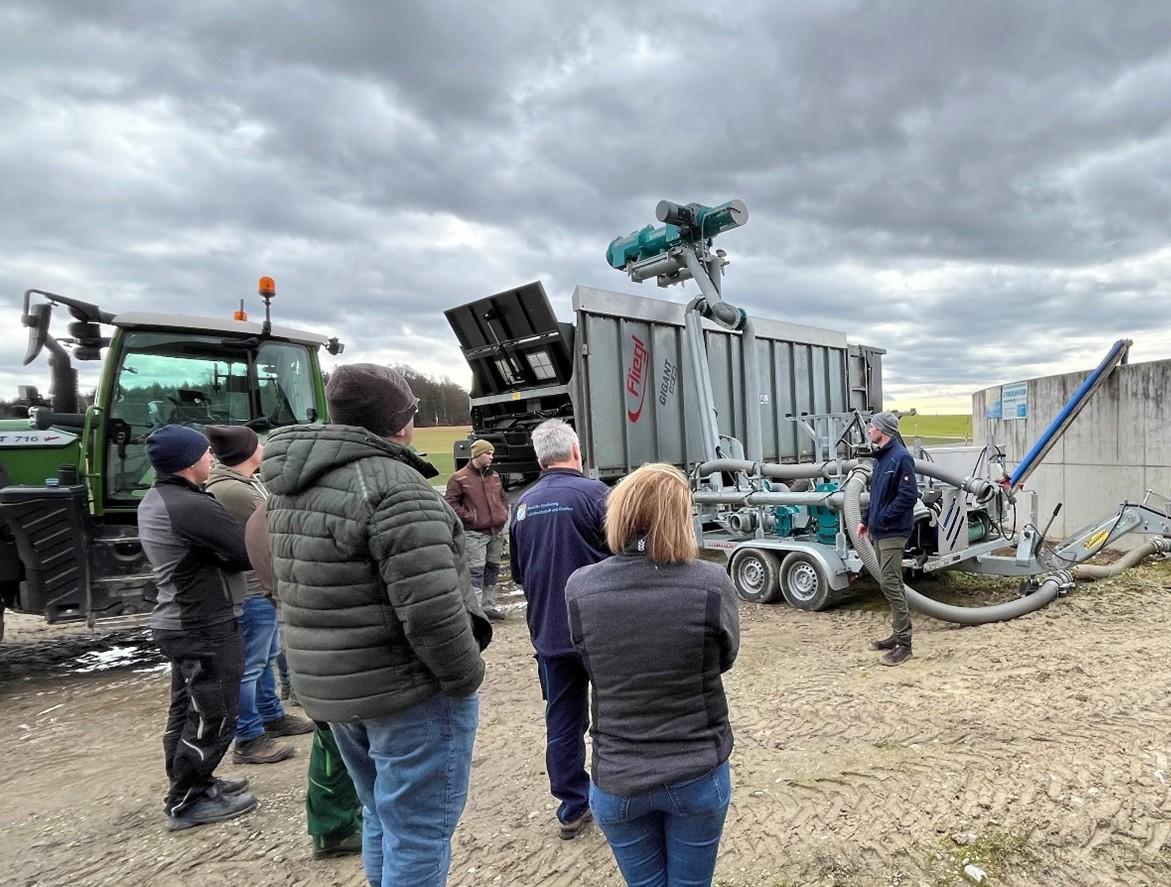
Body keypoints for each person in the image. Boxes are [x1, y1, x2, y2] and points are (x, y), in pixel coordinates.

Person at [262, 363, 491, 886]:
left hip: (337, 688)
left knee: (379, 816)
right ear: (402, 423)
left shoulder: (291, 487)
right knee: (418, 831)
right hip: (405, 691)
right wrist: (464, 679)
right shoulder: (398, 491)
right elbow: (432, 611)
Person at [566, 463, 740, 886]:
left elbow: (589, 660)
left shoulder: (581, 587)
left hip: (618, 776)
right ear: (682, 517)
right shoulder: (712, 583)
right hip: (696, 769)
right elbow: (725, 657)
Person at [137, 424, 257, 830]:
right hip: (203, 623)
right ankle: (187, 801)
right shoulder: (192, 507)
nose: (211, 458)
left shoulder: (163, 498)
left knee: (188, 709)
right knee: (214, 711)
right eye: (205, 453)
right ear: (189, 461)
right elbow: (243, 551)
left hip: (182, 621)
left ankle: (195, 782)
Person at [245, 501, 363, 860]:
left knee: (333, 735)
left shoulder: (264, 514)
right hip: (330, 642)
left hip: (304, 636)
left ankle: (337, 822)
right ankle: (335, 827)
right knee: (337, 736)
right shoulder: (305, 512)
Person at [509, 418, 608, 840]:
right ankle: (619, 795)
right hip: (602, 630)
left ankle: (572, 806)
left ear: (539, 457)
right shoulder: (597, 495)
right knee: (617, 712)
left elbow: (517, 572)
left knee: (563, 720)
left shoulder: (523, 505)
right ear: (576, 451)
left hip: (549, 633)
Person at [205, 425, 313, 765]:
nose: (264, 448)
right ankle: (248, 737)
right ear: (248, 451)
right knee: (250, 666)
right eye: (258, 444)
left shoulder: (246, 483)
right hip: (252, 589)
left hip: (259, 587)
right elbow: (276, 530)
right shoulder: (235, 492)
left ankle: (271, 715)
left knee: (265, 658)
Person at [854, 410, 919, 666]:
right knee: (890, 583)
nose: (869, 430)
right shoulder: (881, 458)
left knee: (891, 583)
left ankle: (904, 645)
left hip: (894, 532)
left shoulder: (900, 457)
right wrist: (866, 520)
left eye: (872, 426)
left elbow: (909, 495)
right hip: (880, 530)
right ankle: (897, 634)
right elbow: (876, 495)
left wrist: (882, 519)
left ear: (884, 430)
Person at [445, 438, 509, 621]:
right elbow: (451, 504)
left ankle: (489, 606)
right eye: (488, 453)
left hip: (495, 533)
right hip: (475, 534)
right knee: (475, 571)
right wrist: (471, 518)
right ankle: (476, 610)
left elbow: (502, 497)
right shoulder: (459, 478)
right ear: (477, 455)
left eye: (492, 453)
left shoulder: (494, 476)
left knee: (492, 569)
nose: (491, 457)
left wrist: (502, 514)